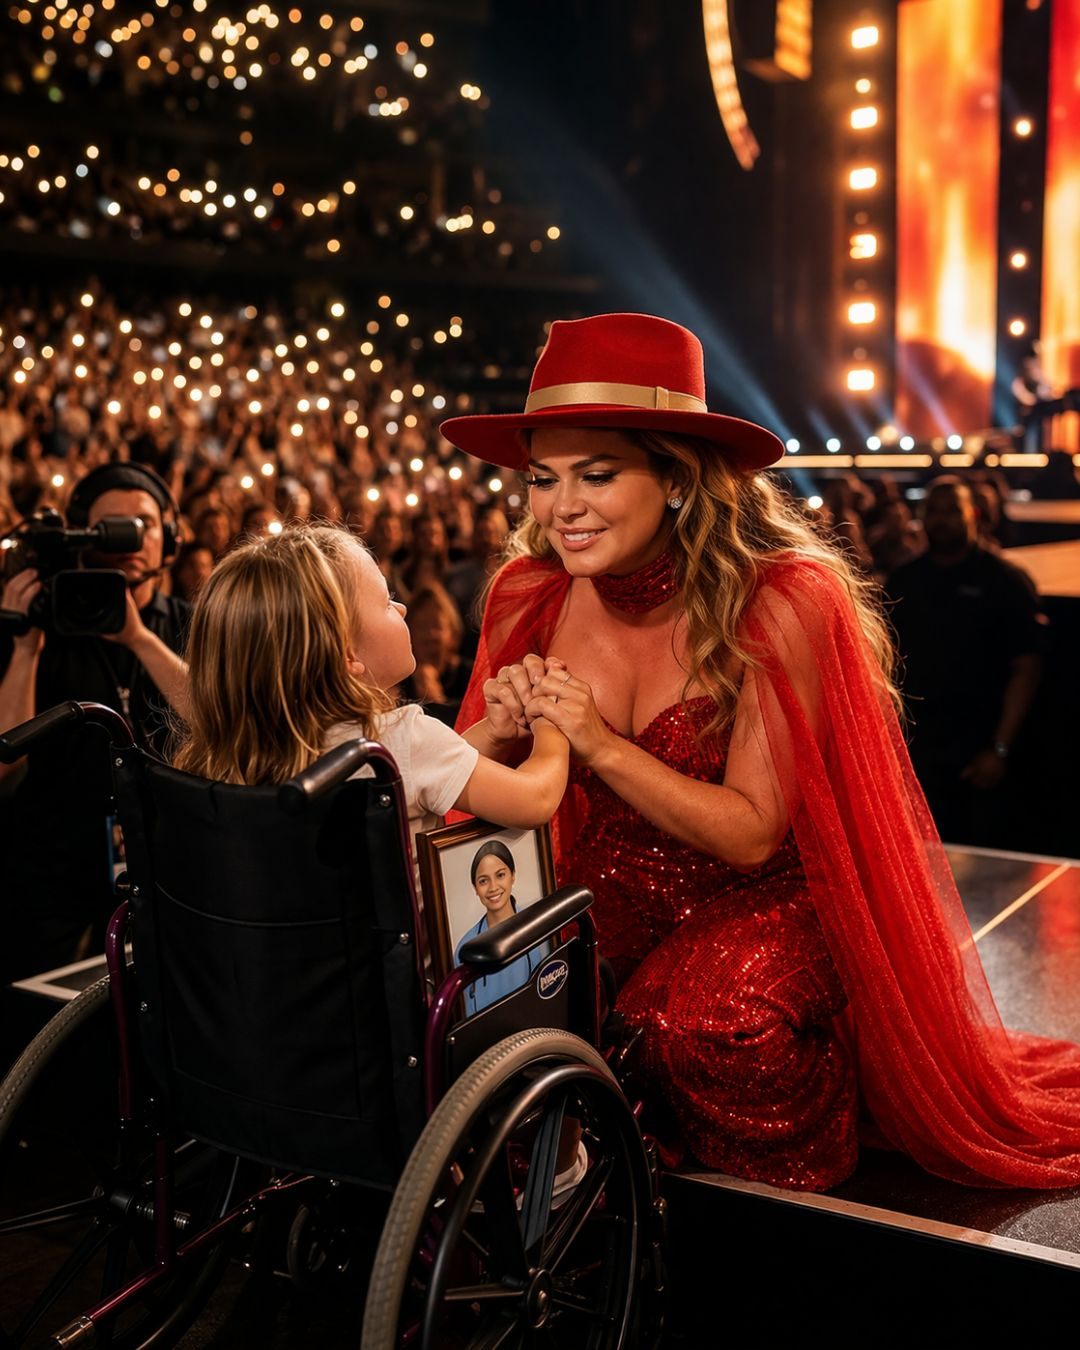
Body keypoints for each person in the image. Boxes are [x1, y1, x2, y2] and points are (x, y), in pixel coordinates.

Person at [443, 311, 1080, 1192]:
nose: (562, 509)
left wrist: (599, 744)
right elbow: (479, 799)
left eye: (598, 474)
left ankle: (824, 1093)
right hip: (610, 885)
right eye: (543, 479)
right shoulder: (527, 592)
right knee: (509, 1016)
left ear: (678, 477)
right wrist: (503, 734)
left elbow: (750, 834)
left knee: (701, 1030)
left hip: (768, 895)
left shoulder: (783, 598)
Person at [173, 526, 570, 868]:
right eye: (386, 601)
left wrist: (494, 734)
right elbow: (534, 800)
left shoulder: (230, 755)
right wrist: (551, 720)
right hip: (419, 938)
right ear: (348, 654)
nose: (402, 607)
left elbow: (429, 773)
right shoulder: (398, 741)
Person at [0, 462, 190, 987]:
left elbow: (218, 720)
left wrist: (138, 639)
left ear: (170, 536)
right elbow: (4, 762)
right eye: (111, 526)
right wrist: (24, 647)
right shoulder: (42, 625)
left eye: (144, 523)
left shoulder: (189, 623)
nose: (130, 538)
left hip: (170, 866)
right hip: (52, 874)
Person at [886, 477, 1044, 846]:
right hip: (919, 752)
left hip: (982, 752)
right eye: (933, 511)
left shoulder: (1005, 580)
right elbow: (884, 664)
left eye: (951, 511)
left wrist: (1000, 748)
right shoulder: (904, 581)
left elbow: (1027, 669)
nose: (941, 520)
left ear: (973, 514)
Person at [455, 841, 551, 1015]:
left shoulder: (539, 930)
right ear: (475, 888)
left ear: (513, 876)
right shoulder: (465, 948)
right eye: (483, 881)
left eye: (500, 875)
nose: (493, 887)